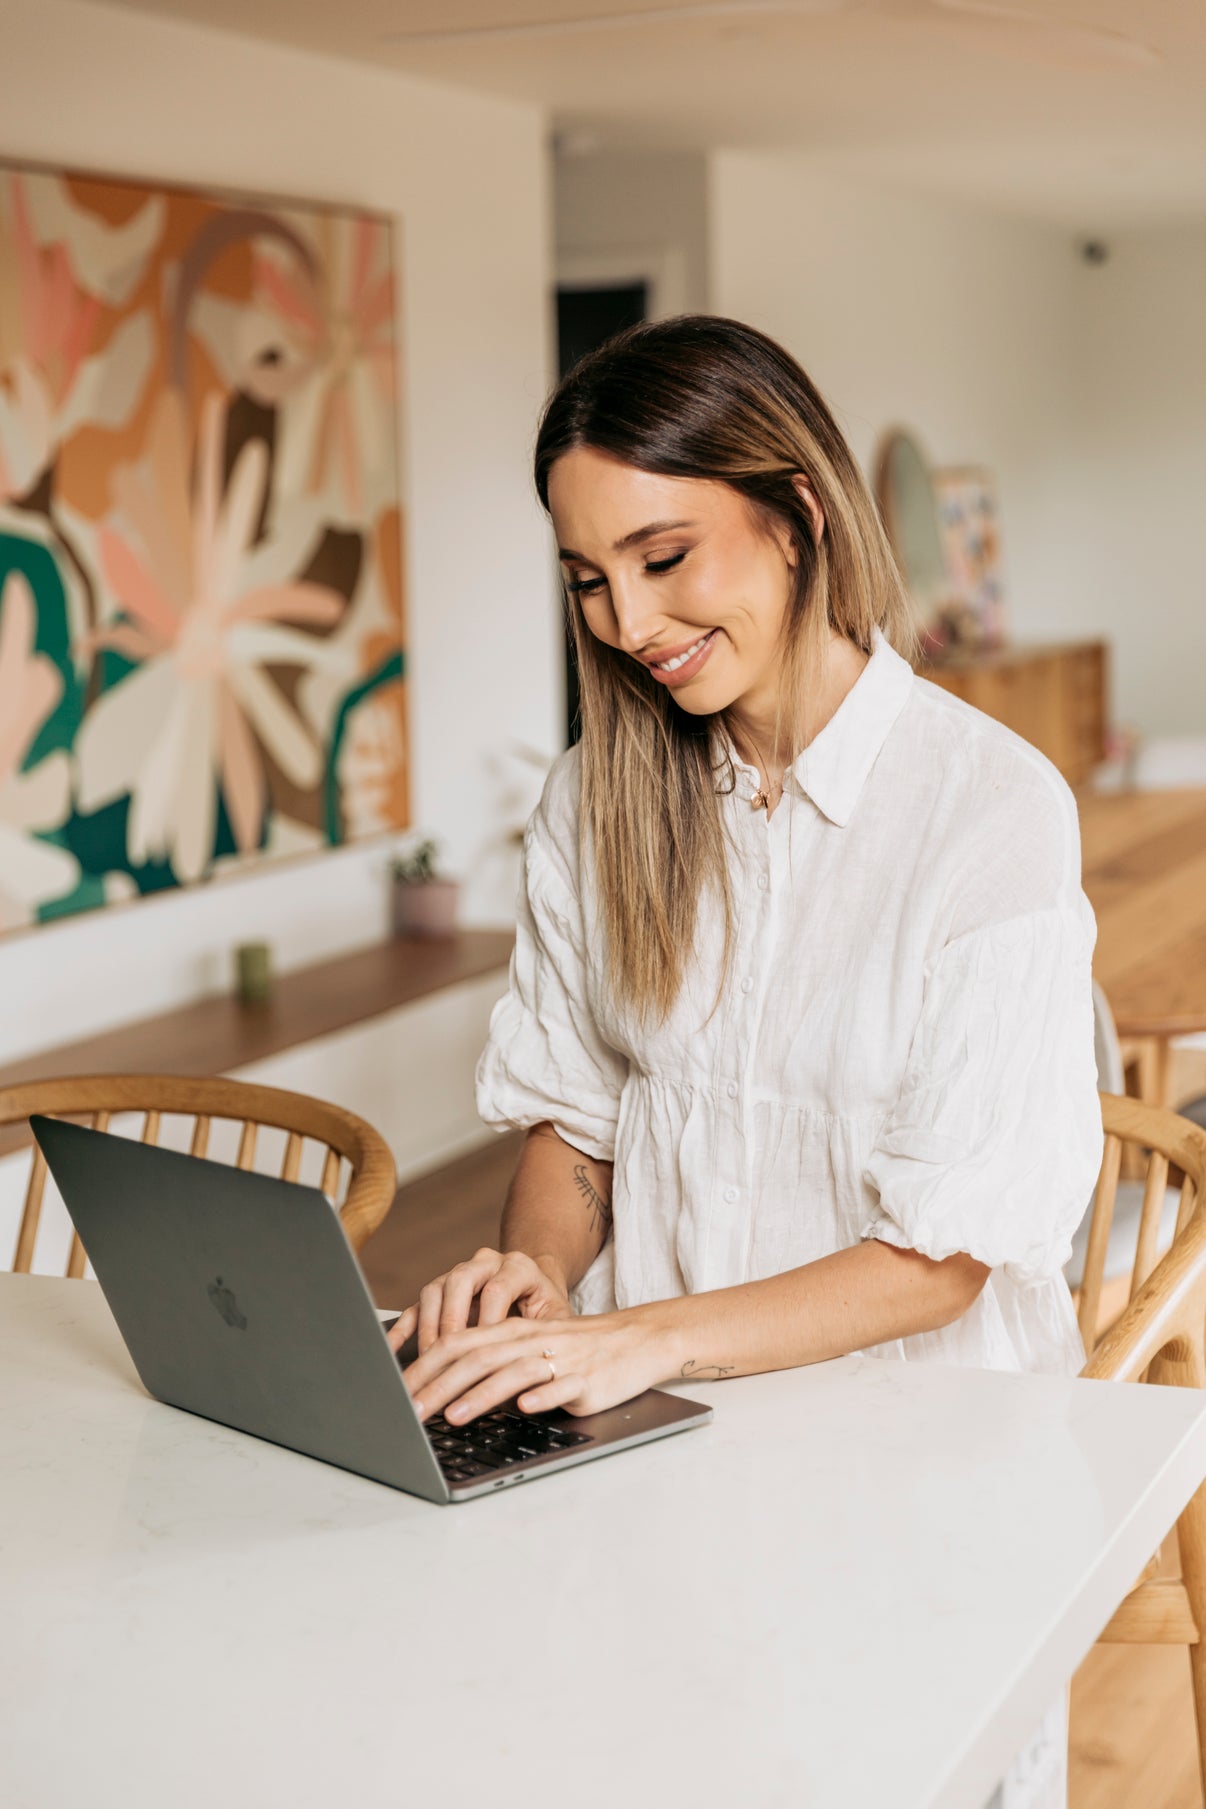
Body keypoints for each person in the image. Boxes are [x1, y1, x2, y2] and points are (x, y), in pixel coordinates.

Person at [388, 315, 1104, 1809]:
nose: (625, 617)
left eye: (664, 557)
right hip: (674, 1458)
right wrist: (539, 1280)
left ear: (798, 518)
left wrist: (636, 1338)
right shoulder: (600, 798)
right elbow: (577, 1126)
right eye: (587, 577)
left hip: (931, 1468)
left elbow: (944, 1256)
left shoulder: (986, 812)